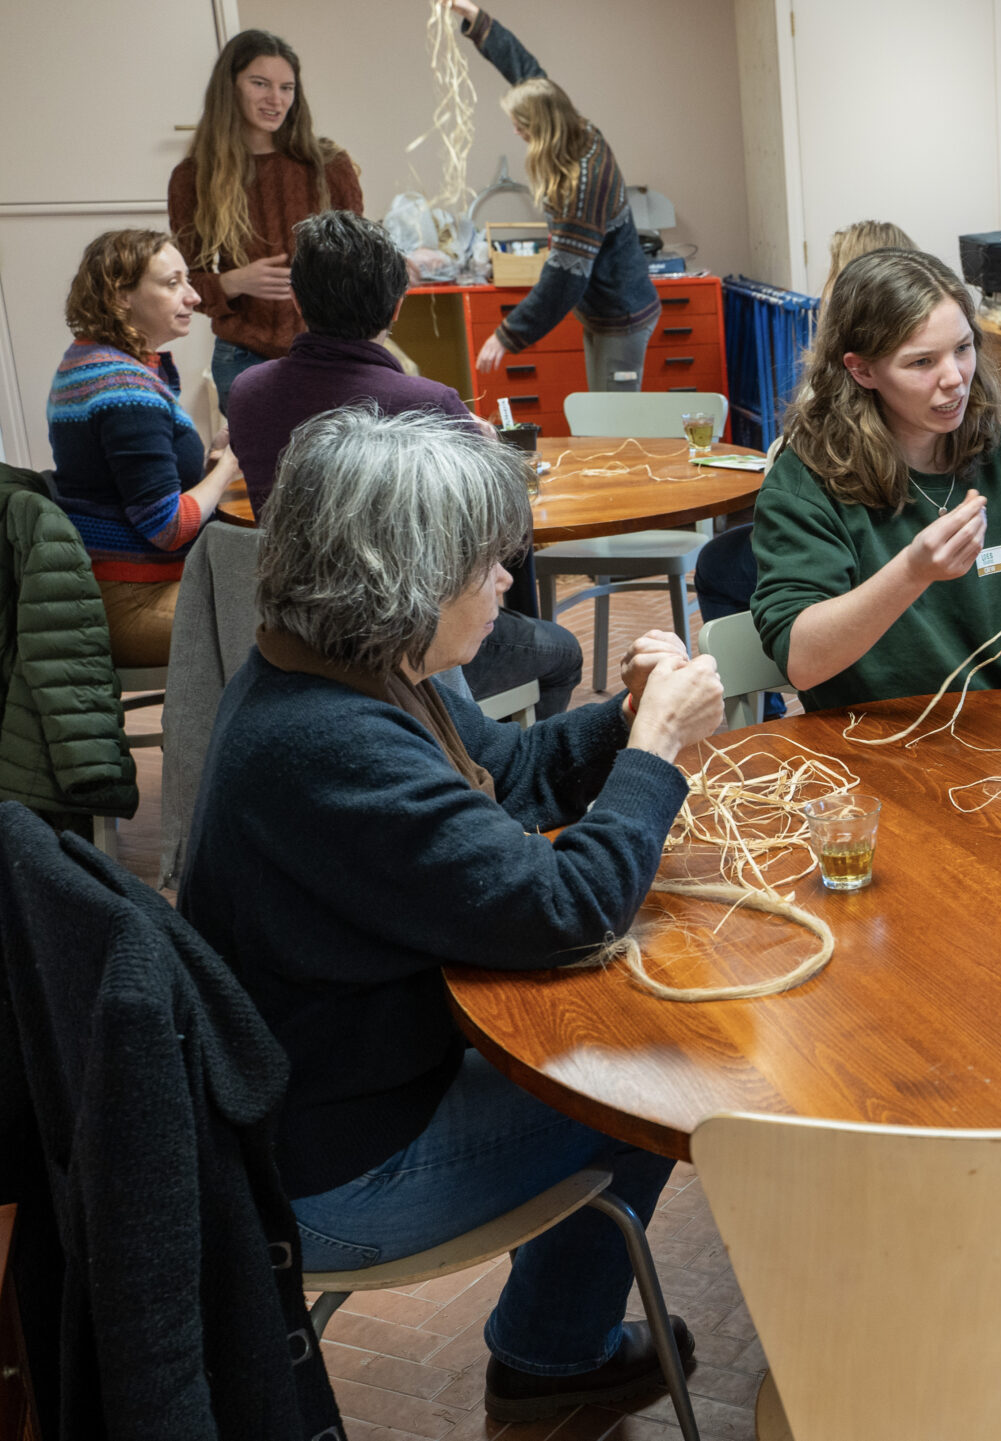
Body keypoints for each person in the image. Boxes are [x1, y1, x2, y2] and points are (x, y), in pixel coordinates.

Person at [177, 405, 723, 1423]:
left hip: (339, 1094)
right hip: (336, 1173)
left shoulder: (344, 669)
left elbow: (505, 770)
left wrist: (620, 719)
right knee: (657, 1084)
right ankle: (553, 1359)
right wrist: (655, 752)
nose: (507, 582)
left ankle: (553, 1345)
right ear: (404, 581)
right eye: (485, 566)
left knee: (619, 1051)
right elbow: (572, 911)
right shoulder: (329, 746)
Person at [226, 208, 586, 715]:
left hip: (298, 636)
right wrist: (490, 456)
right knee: (562, 652)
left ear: (297, 302)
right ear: (398, 306)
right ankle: (490, 755)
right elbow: (499, 531)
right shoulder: (427, 403)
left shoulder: (247, 392)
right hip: (407, 640)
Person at [748, 248, 1001, 710]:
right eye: (922, 362)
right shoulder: (806, 484)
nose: (955, 379)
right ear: (862, 370)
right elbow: (802, 663)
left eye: (962, 349)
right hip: (874, 736)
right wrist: (912, 572)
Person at [693, 219, 921, 644]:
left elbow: (817, 464)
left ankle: (770, 669)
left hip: (863, 538)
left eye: (832, 271)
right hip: (891, 528)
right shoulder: (925, 351)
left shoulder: (849, 366)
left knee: (716, 563)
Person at [46, 229, 243, 668]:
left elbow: (132, 485)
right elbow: (167, 527)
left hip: (120, 587)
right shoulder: (124, 388)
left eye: (187, 280)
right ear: (121, 297)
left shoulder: (90, 360)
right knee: (290, 625)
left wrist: (209, 462)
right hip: (133, 603)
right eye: (173, 283)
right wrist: (228, 466)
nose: (193, 296)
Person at [451, 0, 660, 392]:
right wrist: (476, 19)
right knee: (601, 415)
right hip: (603, 311)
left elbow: (563, 280)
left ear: (542, 128)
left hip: (622, 316)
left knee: (614, 421)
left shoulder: (583, 185)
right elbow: (528, 75)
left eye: (522, 126)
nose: (516, 132)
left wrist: (506, 335)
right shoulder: (575, 128)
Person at [168, 30, 362, 400]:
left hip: (329, 352)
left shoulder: (330, 165)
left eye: (286, 88)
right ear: (231, 87)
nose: (276, 99)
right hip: (242, 358)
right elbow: (185, 284)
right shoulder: (193, 177)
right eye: (260, 84)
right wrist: (234, 282)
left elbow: (361, 264)